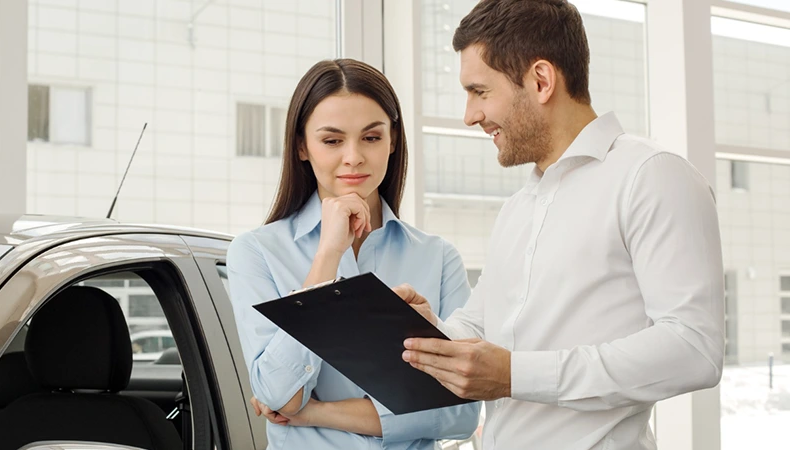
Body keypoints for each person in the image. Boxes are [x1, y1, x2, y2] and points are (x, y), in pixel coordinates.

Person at [395, 1, 724, 449]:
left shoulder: (652, 176)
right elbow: (480, 327)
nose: (470, 115)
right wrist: (431, 335)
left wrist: (515, 375)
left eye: (480, 91)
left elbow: (693, 349)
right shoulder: (517, 207)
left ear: (541, 80)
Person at [226, 58, 481, 449]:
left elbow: (462, 414)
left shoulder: (438, 257)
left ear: (393, 141)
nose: (353, 157)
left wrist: (315, 413)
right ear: (301, 146)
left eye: (372, 137)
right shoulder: (257, 253)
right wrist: (327, 256)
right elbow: (280, 394)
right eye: (332, 140)